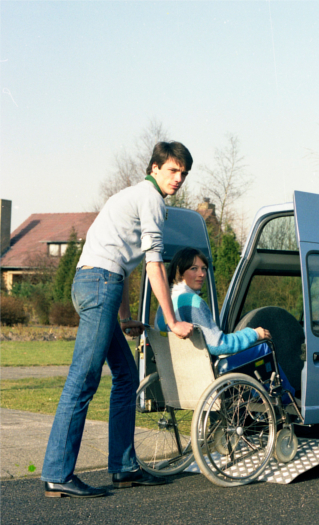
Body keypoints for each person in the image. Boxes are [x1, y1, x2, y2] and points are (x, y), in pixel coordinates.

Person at [42, 142, 195, 498]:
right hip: (100, 285)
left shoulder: (130, 195)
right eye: (173, 170)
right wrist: (172, 321)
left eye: (184, 173)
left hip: (93, 282)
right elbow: (154, 266)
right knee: (84, 379)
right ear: (154, 168)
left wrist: (125, 317)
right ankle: (57, 473)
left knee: (126, 374)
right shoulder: (152, 199)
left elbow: (121, 264)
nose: (178, 178)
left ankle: (124, 467)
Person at [155, 247, 295, 398]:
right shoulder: (192, 301)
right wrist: (254, 333)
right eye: (194, 268)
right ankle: (288, 400)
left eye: (204, 268)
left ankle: (260, 399)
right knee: (263, 348)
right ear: (180, 272)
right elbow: (218, 345)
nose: (202, 274)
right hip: (212, 370)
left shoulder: (164, 305)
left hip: (181, 372)